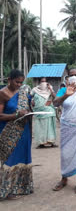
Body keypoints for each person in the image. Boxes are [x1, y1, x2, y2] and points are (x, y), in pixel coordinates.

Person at [0, 70, 33, 200]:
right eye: (16, 82)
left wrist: (30, 110)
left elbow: (26, 109)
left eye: (21, 82)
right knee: (9, 159)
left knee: (22, 157)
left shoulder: (22, 93)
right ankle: (6, 189)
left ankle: (21, 186)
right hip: (8, 131)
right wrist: (17, 115)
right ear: (9, 79)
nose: (19, 85)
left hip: (23, 130)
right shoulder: (2, 94)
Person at [31, 77, 57, 148]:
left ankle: (51, 142)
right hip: (38, 111)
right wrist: (32, 100)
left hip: (48, 111)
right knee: (40, 127)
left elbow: (55, 97)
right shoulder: (35, 90)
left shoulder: (49, 89)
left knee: (50, 127)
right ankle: (41, 143)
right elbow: (30, 97)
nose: (43, 83)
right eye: (42, 81)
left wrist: (50, 88)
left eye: (45, 82)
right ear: (39, 82)